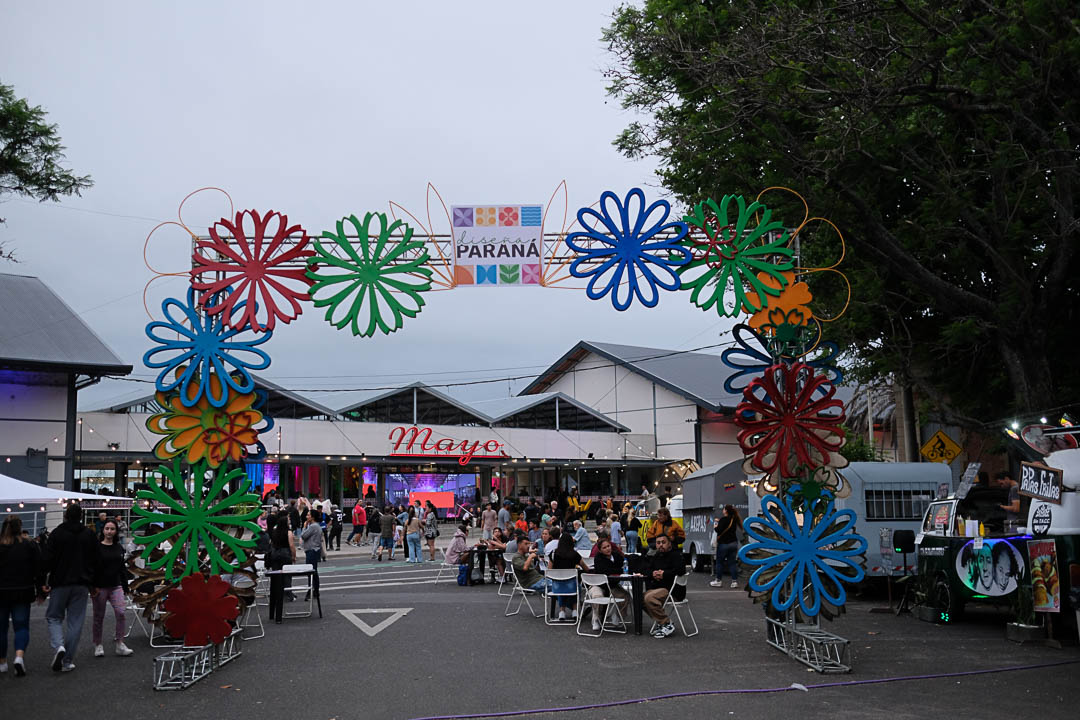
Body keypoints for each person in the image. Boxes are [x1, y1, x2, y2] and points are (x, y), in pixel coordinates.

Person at [44, 502, 100, 672]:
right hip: (82, 583)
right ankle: (67, 660)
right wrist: (94, 583)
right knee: (75, 621)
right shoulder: (88, 534)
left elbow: (47, 559)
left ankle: (58, 646)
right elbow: (96, 560)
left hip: (60, 581)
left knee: (54, 617)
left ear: (65, 515)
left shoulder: (57, 533)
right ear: (81, 516)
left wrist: (43, 581)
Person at [0, 515, 45, 677]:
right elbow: (39, 569)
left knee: (1, 628)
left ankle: (2, 662)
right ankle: (19, 656)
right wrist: (40, 590)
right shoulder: (29, 545)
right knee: (21, 626)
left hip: (1, 591)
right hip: (23, 590)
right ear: (20, 528)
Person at [91, 519, 133, 658]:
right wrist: (92, 586)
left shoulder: (118, 547)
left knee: (121, 613)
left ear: (116, 531)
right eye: (107, 528)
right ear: (103, 530)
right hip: (100, 587)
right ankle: (98, 644)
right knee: (99, 616)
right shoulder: (96, 547)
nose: (109, 531)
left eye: (112, 529)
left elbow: (122, 568)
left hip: (116, 585)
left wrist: (125, 586)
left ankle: (120, 643)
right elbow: (92, 567)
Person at [644, 534, 685, 638]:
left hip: (672, 590)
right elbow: (647, 570)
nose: (661, 545)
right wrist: (653, 573)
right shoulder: (656, 556)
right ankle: (662, 622)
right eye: (658, 543)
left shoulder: (676, 555)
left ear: (669, 544)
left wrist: (664, 574)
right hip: (658, 588)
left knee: (649, 598)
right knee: (639, 599)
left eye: (663, 542)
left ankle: (666, 623)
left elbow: (681, 571)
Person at [588, 537, 631, 631]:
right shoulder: (598, 558)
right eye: (604, 548)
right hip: (598, 584)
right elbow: (604, 571)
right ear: (600, 550)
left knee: (625, 596)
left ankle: (617, 615)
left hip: (612, 584)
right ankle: (596, 619)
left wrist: (616, 570)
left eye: (608, 546)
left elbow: (624, 566)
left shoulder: (616, 555)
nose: (607, 549)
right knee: (597, 596)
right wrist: (618, 570)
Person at [549, 532, 588, 620]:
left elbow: (549, 570)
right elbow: (586, 568)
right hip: (572, 586)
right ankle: (574, 610)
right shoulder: (574, 554)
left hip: (556, 587)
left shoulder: (553, 553)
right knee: (575, 585)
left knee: (561, 584)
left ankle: (562, 611)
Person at [267, 518, 295, 624]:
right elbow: (291, 545)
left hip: (275, 554)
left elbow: (271, 543)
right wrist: (293, 556)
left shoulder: (275, 532)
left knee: (276, 576)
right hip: (285, 554)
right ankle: (287, 593)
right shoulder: (288, 532)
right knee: (287, 575)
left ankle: (276, 594)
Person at [710, 505, 741, 589]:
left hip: (724, 544)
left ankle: (718, 581)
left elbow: (718, 530)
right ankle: (734, 582)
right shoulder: (733, 519)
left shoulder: (723, 519)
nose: (723, 510)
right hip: (733, 543)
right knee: (732, 563)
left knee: (720, 562)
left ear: (726, 511)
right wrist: (719, 521)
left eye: (724, 509)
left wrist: (716, 526)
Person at [301, 508, 323, 599]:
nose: (307, 517)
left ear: (313, 517)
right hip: (314, 549)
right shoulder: (316, 526)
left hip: (312, 550)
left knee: (311, 571)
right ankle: (315, 590)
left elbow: (304, 536)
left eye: (308, 515)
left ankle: (312, 589)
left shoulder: (313, 526)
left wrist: (304, 527)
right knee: (313, 571)